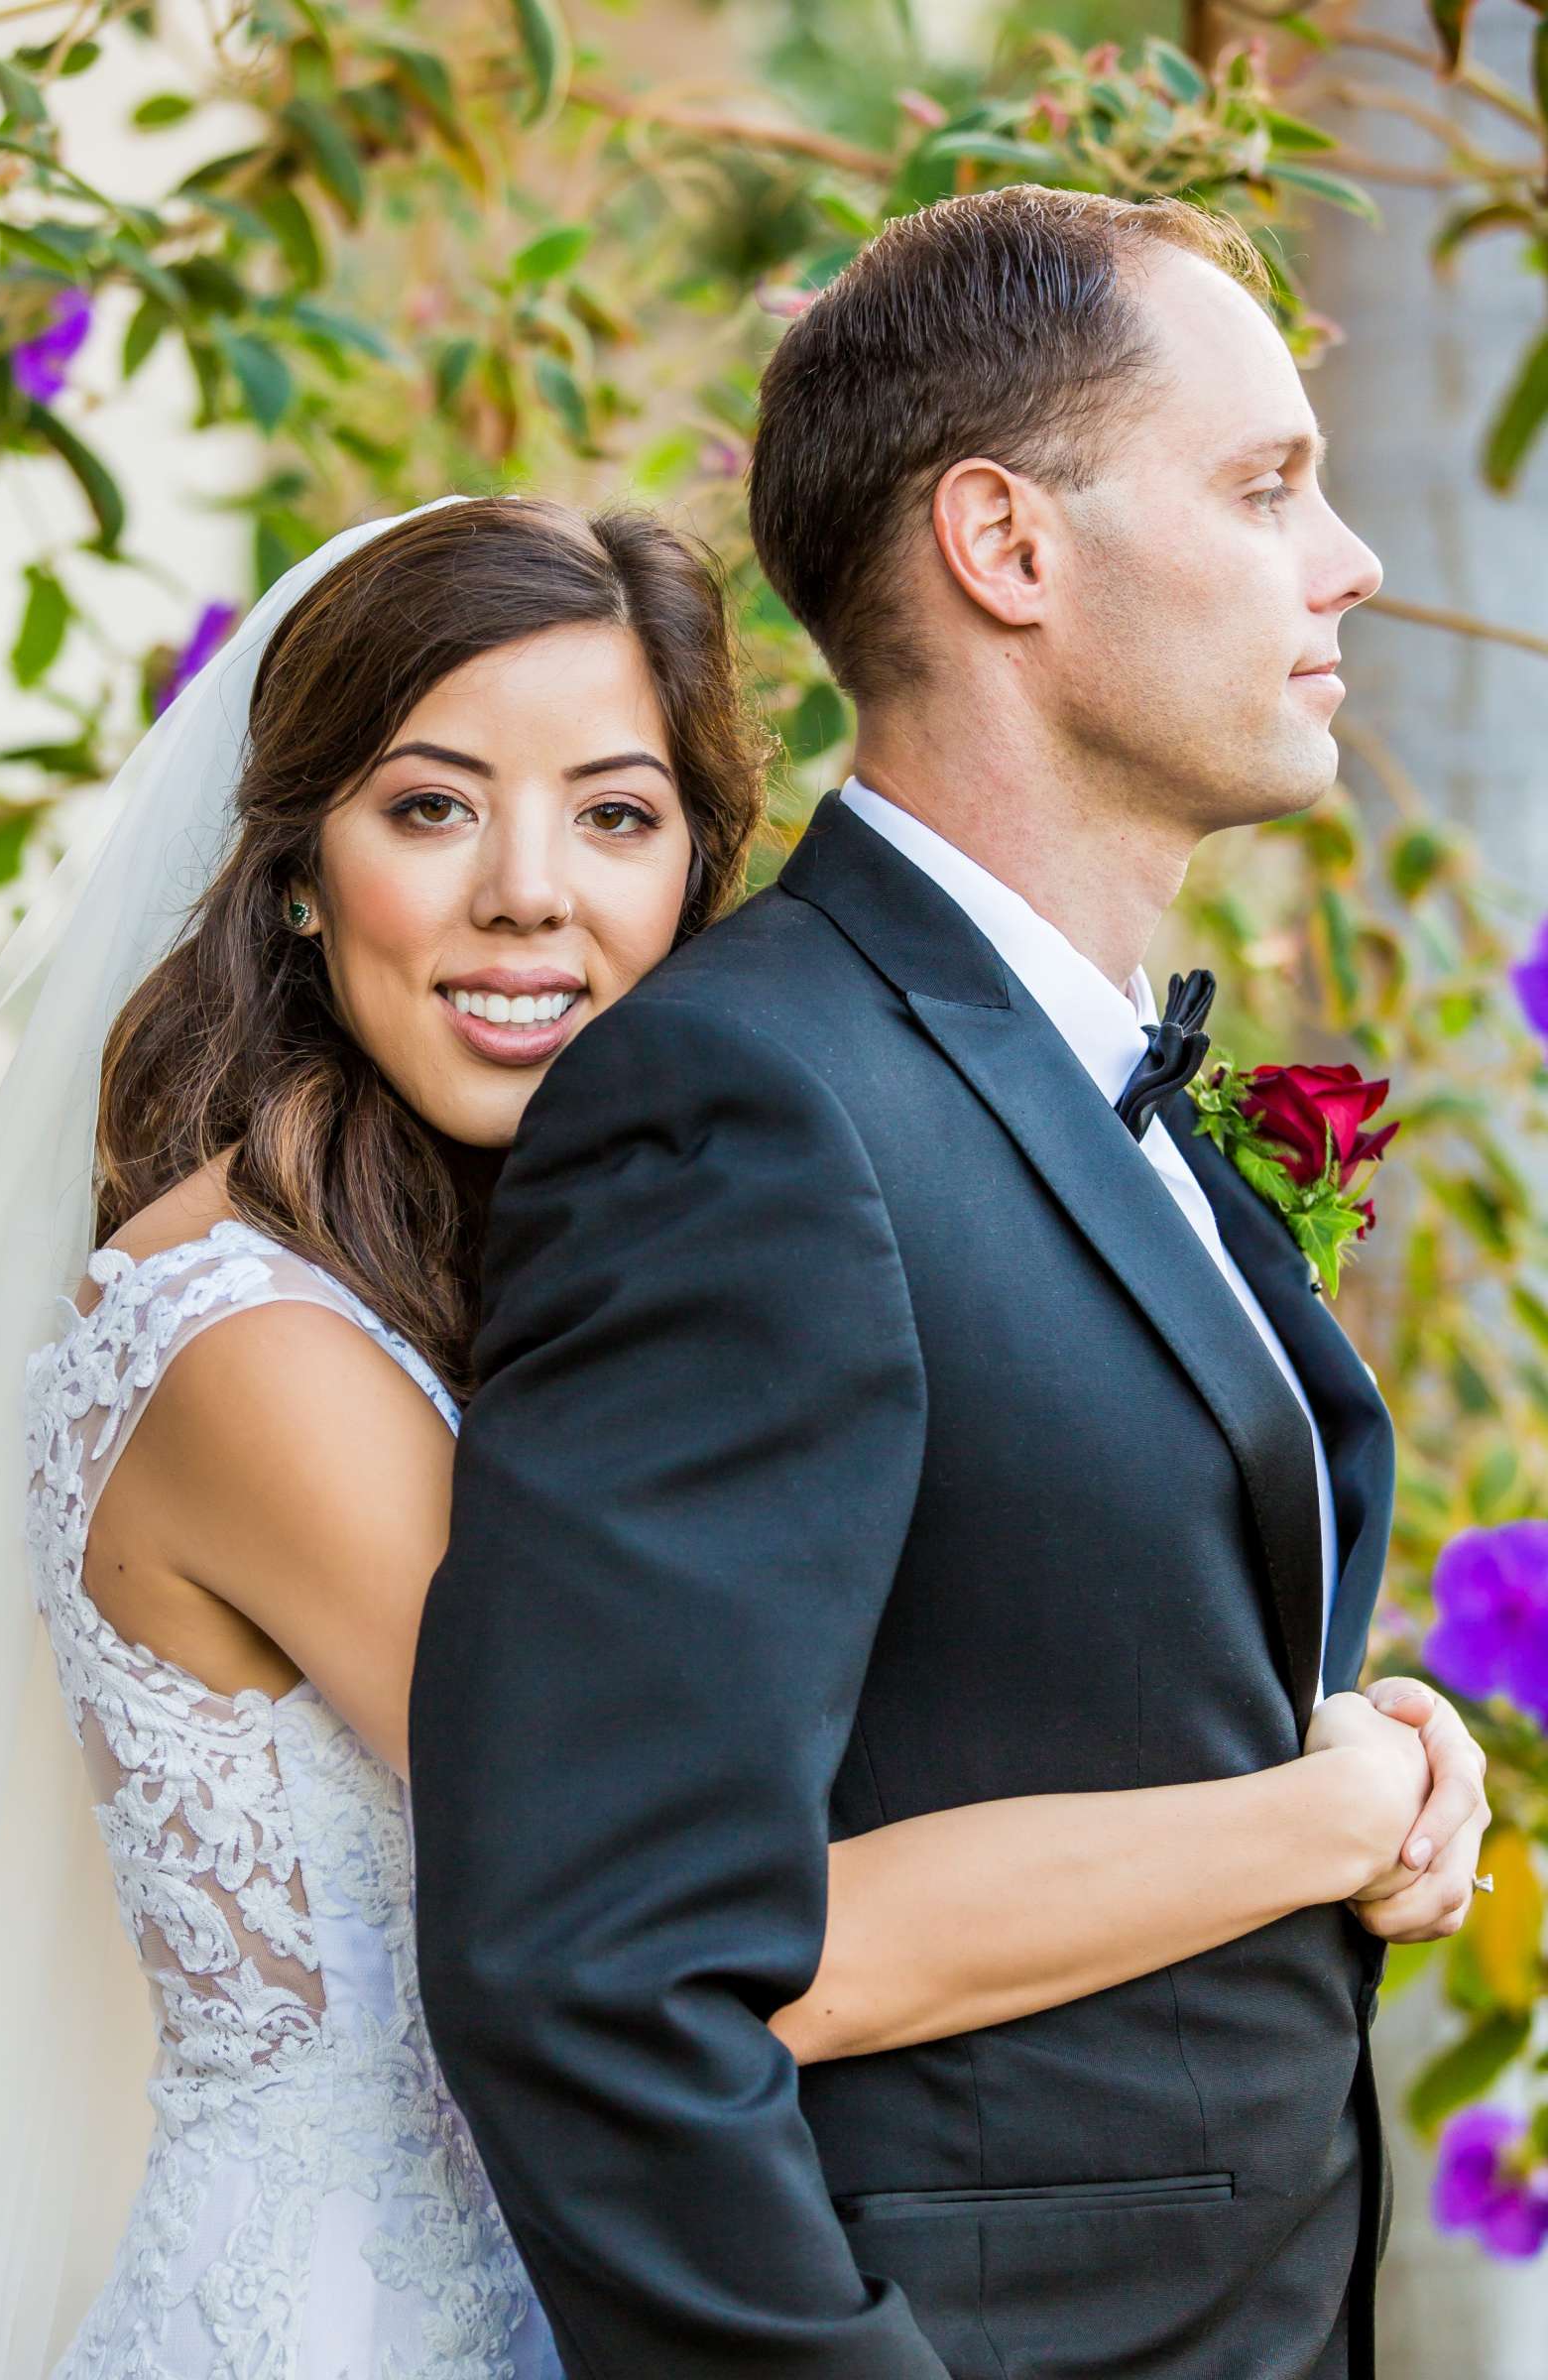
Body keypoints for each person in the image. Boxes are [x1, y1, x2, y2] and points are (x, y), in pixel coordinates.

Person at [0, 524, 1472, 2364]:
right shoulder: (248, 1344)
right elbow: (737, 1936)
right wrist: (1324, 1815)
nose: (531, 894)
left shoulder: (563, 1257)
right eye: (431, 809)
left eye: (616, 815)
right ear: (295, 872)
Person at [407, 193, 1491, 2380]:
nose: (1342, 560)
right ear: (1000, 545)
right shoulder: (745, 1108)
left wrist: (1363, 1759)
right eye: (1264, 487)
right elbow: (595, 1969)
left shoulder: (1094, 1081)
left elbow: (1057, 1656)